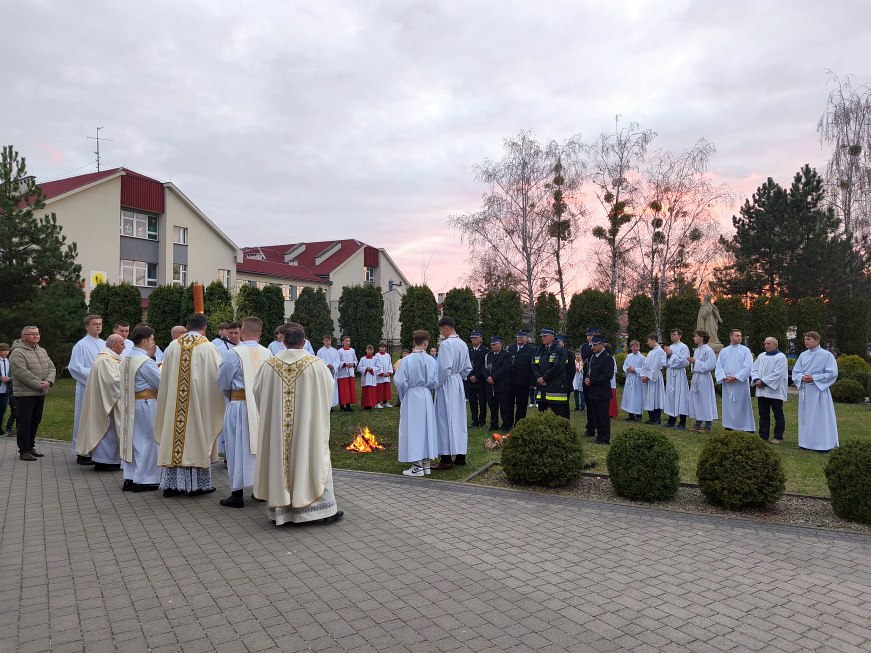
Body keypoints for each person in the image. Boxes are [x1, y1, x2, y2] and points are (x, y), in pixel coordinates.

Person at [253, 323, 342, 525]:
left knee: (280, 461)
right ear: (303, 343)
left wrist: (272, 414)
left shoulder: (269, 365)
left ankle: (282, 511)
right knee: (314, 458)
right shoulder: (315, 364)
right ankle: (319, 511)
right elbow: (328, 392)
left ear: (283, 342)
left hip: (278, 429)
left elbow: (258, 393)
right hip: (307, 428)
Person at [154, 314, 226, 497]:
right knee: (197, 438)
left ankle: (171, 486)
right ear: (204, 328)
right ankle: (196, 486)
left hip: (174, 405)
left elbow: (164, 377)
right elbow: (217, 379)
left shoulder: (172, 346)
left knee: (173, 438)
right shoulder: (208, 348)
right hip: (198, 405)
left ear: (187, 327)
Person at [216, 316, 273, 508]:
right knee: (261, 447)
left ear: (242, 331)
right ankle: (261, 490)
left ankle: (237, 494)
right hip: (261, 407)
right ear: (260, 333)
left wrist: (231, 395)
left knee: (236, 447)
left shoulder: (233, 354)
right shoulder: (268, 353)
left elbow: (222, 381)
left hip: (239, 405)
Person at [118, 325, 162, 492]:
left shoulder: (126, 358)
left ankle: (130, 477)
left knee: (132, 440)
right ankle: (145, 479)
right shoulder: (145, 362)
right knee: (148, 440)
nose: (153, 342)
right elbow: (159, 382)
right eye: (151, 339)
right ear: (144, 341)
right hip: (146, 404)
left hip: (130, 403)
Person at [75, 334, 125, 472]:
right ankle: (104, 461)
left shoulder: (111, 358)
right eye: (122, 344)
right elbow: (113, 382)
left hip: (108, 400)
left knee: (110, 432)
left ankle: (111, 460)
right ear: (113, 346)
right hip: (106, 403)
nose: (124, 346)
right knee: (106, 430)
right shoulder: (105, 360)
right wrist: (130, 381)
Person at [394, 330, 439, 477]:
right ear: (426, 343)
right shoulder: (431, 360)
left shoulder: (406, 360)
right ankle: (426, 464)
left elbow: (400, 381)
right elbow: (435, 381)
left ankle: (417, 466)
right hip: (425, 395)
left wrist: (403, 395)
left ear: (414, 342)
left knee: (413, 429)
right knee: (426, 428)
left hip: (412, 395)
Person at [433, 317, 472, 470]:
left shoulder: (446, 344)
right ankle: (461, 456)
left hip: (447, 384)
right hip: (457, 383)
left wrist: (437, 384)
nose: (441, 333)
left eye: (441, 330)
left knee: (444, 419)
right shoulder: (463, 344)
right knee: (458, 418)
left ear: (446, 328)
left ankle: (446, 458)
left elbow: (444, 368)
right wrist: (458, 377)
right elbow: (467, 368)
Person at [10, 326, 55, 461]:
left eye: (37, 333)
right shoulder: (17, 352)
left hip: (39, 393)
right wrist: (40, 384)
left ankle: (30, 447)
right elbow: (21, 372)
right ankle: (24, 450)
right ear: (23, 337)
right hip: (25, 394)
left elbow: (51, 367)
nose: (36, 336)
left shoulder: (42, 351)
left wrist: (49, 381)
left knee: (35, 420)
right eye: (32, 334)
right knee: (24, 422)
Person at [68, 314, 105, 464]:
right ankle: (82, 453)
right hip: (87, 386)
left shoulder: (104, 344)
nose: (98, 326)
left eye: (100, 323)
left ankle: (97, 451)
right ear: (87, 326)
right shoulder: (81, 345)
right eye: (95, 324)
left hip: (102, 388)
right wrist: (96, 375)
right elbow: (75, 367)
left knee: (98, 419)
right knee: (84, 418)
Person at [792, 331, 839, 451]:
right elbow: (796, 372)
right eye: (805, 339)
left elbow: (832, 373)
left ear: (817, 341)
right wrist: (802, 377)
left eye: (809, 339)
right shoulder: (803, 355)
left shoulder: (827, 355)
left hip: (819, 391)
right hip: (806, 391)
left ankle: (822, 444)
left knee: (820, 417)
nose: (806, 342)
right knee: (806, 417)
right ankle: (806, 443)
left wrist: (814, 378)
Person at [715, 329, 755, 433]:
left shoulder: (745, 350)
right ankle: (729, 425)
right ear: (731, 337)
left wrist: (736, 377)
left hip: (740, 383)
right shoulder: (724, 351)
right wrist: (723, 377)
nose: (739, 337)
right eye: (737, 335)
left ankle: (746, 427)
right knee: (728, 405)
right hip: (727, 382)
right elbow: (719, 366)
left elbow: (748, 366)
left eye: (740, 336)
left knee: (743, 404)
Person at [751, 336, 788, 444]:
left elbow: (778, 374)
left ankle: (778, 436)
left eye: (769, 343)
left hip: (774, 391)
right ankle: (763, 435)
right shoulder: (761, 356)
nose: (766, 345)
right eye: (765, 343)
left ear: (776, 345)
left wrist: (763, 382)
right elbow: (754, 369)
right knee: (763, 414)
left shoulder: (781, 357)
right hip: (762, 392)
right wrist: (756, 379)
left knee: (778, 414)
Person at [584, 335, 615, 444]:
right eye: (592, 345)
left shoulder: (607, 358)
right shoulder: (593, 356)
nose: (593, 347)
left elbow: (608, 375)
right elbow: (590, 370)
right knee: (596, 415)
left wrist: (593, 381)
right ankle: (599, 435)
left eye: (595, 345)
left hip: (602, 392)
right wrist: (587, 378)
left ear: (602, 345)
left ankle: (604, 437)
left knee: (603, 416)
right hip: (593, 391)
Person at [532, 328, 569, 418]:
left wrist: (545, 377)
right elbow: (533, 364)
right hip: (542, 388)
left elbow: (559, 367)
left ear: (552, 337)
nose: (542, 338)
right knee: (542, 416)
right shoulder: (538, 350)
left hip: (556, 389)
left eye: (545, 336)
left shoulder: (560, 350)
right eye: (541, 336)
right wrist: (539, 377)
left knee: (559, 416)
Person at [687, 330, 717, 433]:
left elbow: (710, 366)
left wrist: (695, 362)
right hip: (696, 377)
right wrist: (693, 363)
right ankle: (698, 424)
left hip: (704, 378)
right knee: (697, 400)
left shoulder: (708, 350)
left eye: (696, 336)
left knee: (705, 400)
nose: (694, 338)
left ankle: (708, 426)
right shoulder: (697, 350)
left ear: (701, 338)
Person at [663, 328, 691, 430]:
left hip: (679, 375)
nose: (672, 336)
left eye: (674, 334)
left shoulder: (683, 347)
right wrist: (667, 355)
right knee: (671, 397)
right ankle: (671, 420)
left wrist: (670, 354)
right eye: (671, 334)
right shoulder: (670, 347)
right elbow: (664, 362)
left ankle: (682, 423)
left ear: (680, 336)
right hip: (670, 374)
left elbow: (682, 361)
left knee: (681, 397)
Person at [484, 336, 512, 432]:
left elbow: (505, 368)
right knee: (492, 406)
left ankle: (506, 425)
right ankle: (493, 424)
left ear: (500, 344)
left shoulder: (506, 354)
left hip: (502, 385)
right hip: (490, 385)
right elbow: (484, 368)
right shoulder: (488, 355)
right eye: (491, 344)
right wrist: (487, 377)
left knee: (504, 407)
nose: (493, 346)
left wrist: (493, 377)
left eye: (495, 344)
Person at [507, 331, 534, 424]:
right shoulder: (511, 348)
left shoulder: (531, 350)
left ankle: (519, 423)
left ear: (526, 339)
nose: (519, 339)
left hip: (524, 382)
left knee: (521, 404)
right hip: (510, 381)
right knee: (509, 403)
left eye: (522, 337)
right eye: (518, 337)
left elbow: (533, 367)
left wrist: (532, 382)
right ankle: (508, 423)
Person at [640, 334, 665, 425]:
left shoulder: (659, 351)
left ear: (654, 340)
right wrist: (643, 375)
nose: (648, 343)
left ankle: (657, 419)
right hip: (648, 377)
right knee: (649, 397)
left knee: (656, 398)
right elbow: (645, 364)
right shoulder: (651, 352)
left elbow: (657, 365)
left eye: (649, 341)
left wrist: (649, 377)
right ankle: (651, 417)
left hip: (655, 378)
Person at [466, 331, 488, 427]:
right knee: (472, 401)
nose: (473, 339)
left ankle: (482, 421)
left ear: (480, 339)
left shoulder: (485, 350)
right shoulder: (468, 350)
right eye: (472, 338)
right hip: (470, 380)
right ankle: (474, 420)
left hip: (481, 380)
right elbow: (465, 364)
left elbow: (485, 365)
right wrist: (470, 375)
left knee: (482, 402)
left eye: (475, 338)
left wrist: (477, 376)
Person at [621, 341, 645, 421]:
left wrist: (635, 369)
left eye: (637, 346)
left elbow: (644, 369)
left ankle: (638, 415)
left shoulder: (642, 358)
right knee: (629, 397)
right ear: (631, 347)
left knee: (637, 397)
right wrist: (627, 368)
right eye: (634, 347)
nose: (636, 348)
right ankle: (631, 414)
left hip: (637, 380)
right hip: (630, 379)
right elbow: (625, 365)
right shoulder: (629, 356)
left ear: (639, 347)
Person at [316, 335, 340, 408]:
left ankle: (332, 404)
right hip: (324, 372)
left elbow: (337, 360)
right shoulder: (320, 351)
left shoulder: (334, 351)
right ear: (323, 341)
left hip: (332, 371)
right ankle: (326, 405)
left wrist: (333, 366)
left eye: (329, 340)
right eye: (326, 340)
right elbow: (318, 361)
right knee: (325, 388)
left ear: (331, 341)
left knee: (332, 388)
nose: (327, 342)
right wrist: (326, 366)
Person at [336, 336, 358, 412]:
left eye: (349, 341)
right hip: (342, 374)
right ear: (342, 342)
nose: (348, 342)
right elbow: (337, 361)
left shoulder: (352, 350)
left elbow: (355, 360)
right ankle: (342, 406)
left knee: (349, 390)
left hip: (350, 373)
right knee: (343, 390)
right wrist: (345, 364)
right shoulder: (339, 351)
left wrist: (353, 364)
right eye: (346, 341)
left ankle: (348, 405)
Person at [357, 345, 379, 410]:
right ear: (366, 350)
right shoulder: (362, 359)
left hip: (372, 378)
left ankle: (372, 404)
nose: (369, 351)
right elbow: (359, 367)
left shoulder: (375, 359)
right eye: (368, 350)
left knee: (372, 391)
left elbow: (378, 367)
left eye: (371, 350)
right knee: (366, 392)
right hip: (365, 378)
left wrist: (372, 369)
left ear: (373, 351)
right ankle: (366, 405)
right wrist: (366, 368)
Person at [374, 342, 394, 408]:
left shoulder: (388, 355)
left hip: (387, 375)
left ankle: (385, 402)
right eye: (381, 347)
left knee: (386, 389)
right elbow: (377, 365)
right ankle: (377, 403)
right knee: (380, 389)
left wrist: (389, 373)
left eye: (383, 347)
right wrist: (382, 373)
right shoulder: (377, 355)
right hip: (380, 376)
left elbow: (389, 364)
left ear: (385, 348)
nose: (382, 348)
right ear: (379, 348)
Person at [0, 343, 12, 435]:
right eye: (3, 350)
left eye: (7, 350)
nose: (6, 352)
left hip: (5, 390)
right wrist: (1, 378)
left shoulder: (9, 361)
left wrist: (9, 379)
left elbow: (12, 373)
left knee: (2, 409)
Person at [605, 343, 618, 418]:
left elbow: (615, 370)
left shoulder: (611, 358)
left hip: (611, 380)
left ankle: (611, 412)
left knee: (611, 397)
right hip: (605, 381)